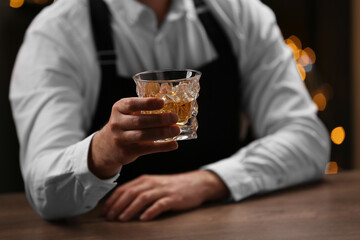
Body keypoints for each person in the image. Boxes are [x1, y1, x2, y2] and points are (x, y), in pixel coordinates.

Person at [9, 0, 330, 221]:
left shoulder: (241, 12)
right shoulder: (57, 33)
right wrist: (102, 152)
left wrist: (208, 181)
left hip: (222, 227)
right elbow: (43, 191)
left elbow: (307, 140)